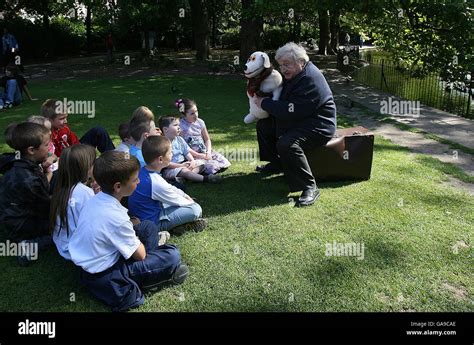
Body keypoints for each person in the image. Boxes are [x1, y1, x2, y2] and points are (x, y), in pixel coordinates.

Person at [68, 151, 188, 312]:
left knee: (147, 226)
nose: (138, 181)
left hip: (88, 263)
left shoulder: (95, 200)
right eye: (134, 179)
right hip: (104, 273)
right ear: (118, 186)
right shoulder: (115, 217)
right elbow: (140, 255)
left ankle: (154, 258)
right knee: (172, 255)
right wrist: (139, 244)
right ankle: (157, 274)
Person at [253, 42, 337, 207]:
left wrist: (264, 103)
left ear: (300, 61)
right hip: (302, 119)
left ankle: (310, 187)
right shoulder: (297, 73)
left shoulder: (309, 79)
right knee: (264, 126)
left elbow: (292, 110)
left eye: (287, 64)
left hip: (319, 125)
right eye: (281, 65)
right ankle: (277, 164)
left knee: (288, 143)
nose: (283, 69)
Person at [128, 136, 206, 236]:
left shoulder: (144, 171)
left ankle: (178, 226)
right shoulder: (155, 182)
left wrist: (184, 195)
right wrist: (190, 201)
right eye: (170, 153)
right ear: (160, 159)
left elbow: (170, 188)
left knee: (181, 202)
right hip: (152, 222)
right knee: (195, 209)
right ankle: (169, 228)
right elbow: (178, 201)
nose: (172, 154)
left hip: (144, 214)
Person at [0, 122, 53, 265]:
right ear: (31, 150)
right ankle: (28, 247)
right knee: (64, 228)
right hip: (22, 224)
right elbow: (47, 207)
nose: (49, 148)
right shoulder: (30, 179)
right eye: (46, 145)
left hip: (11, 215)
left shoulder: (16, 161)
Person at [49, 144, 96, 261]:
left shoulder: (61, 187)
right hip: (79, 250)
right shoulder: (84, 193)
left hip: (63, 245)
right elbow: (95, 223)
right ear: (87, 167)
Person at [40, 99, 115, 157]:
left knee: (98, 131)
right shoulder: (45, 135)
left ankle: (113, 159)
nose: (66, 121)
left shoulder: (64, 128)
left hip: (74, 152)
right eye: (62, 118)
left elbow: (75, 143)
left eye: (66, 117)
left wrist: (82, 152)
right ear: (49, 119)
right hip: (64, 161)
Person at [159, 116, 222, 183]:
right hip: (170, 169)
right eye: (175, 125)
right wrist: (181, 166)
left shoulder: (179, 139)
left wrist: (192, 161)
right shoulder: (162, 144)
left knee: (202, 164)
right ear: (165, 129)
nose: (179, 127)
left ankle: (185, 178)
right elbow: (166, 163)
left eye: (179, 125)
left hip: (184, 164)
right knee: (184, 171)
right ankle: (206, 179)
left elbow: (186, 152)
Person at [176, 98, 230, 175]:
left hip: (204, 151)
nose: (196, 115)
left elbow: (207, 139)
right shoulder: (181, 126)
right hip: (191, 155)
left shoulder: (200, 122)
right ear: (184, 115)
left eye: (196, 111)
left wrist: (208, 152)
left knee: (223, 161)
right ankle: (191, 173)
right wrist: (198, 155)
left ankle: (202, 168)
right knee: (203, 164)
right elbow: (183, 146)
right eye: (192, 113)